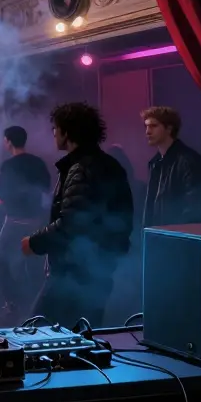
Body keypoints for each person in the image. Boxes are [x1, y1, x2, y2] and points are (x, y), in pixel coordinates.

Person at [22, 102, 134, 328]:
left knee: (38, 332)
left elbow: (72, 223)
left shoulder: (80, 169)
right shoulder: (109, 164)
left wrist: (34, 242)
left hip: (73, 272)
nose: (53, 134)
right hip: (99, 267)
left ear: (67, 132)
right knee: (83, 336)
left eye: (55, 128)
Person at [0, 126, 51, 322]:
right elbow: (46, 190)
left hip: (14, 222)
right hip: (36, 222)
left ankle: (12, 306)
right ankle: (37, 309)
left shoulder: (8, 166)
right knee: (33, 267)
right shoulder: (38, 163)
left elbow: (1, 198)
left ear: (8, 141)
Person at [141, 106, 201, 226]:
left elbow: (197, 208)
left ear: (169, 129)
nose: (147, 131)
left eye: (154, 126)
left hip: (178, 238)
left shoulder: (189, 161)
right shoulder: (155, 163)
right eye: (146, 126)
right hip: (158, 237)